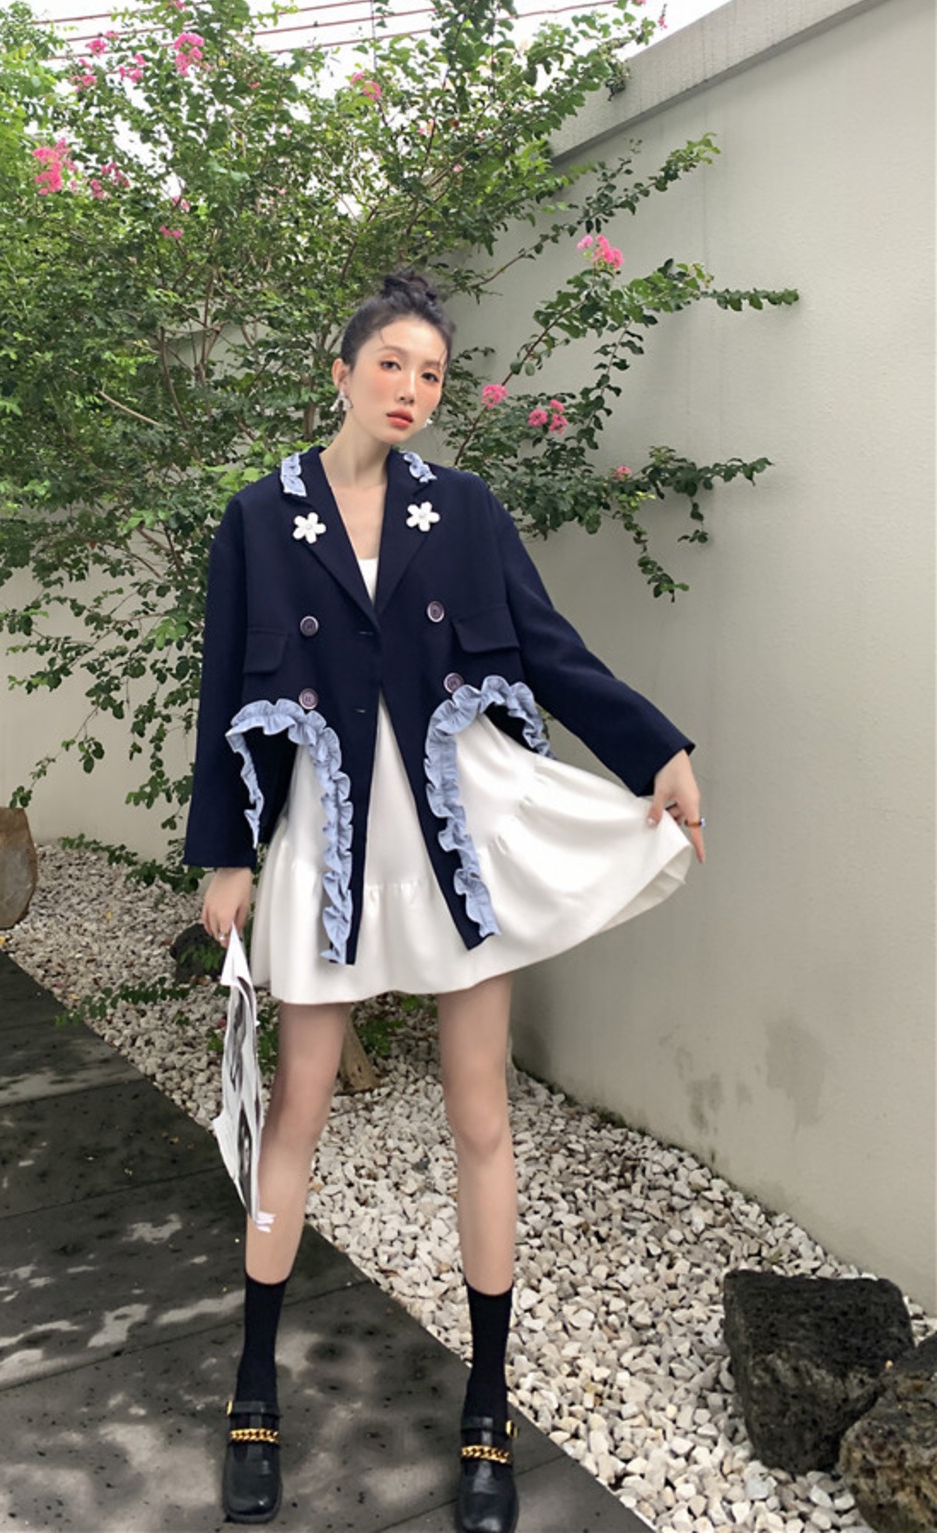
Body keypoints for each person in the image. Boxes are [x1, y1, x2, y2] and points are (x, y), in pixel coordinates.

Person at [185, 271, 705, 1531]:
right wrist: (225, 853)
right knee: (295, 1108)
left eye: (429, 373)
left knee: (480, 1112)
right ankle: (253, 1390)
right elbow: (223, 694)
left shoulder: (462, 509)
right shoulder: (257, 519)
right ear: (340, 370)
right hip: (326, 836)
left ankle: (486, 1409)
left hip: (451, 838)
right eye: (391, 365)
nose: (410, 389)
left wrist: (653, 748)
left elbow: (546, 647)